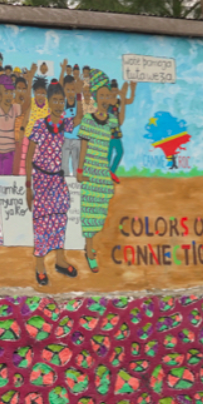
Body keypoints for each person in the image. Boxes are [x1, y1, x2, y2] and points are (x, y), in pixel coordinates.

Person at [25, 79, 82, 285]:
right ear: (49, 102)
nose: (58, 104)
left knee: (60, 219)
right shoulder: (40, 125)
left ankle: (60, 260)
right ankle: (40, 267)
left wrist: (77, 95)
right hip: (40, 180)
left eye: (61, 100)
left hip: (57, 178)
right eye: (55, 100)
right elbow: (29, 155)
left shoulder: (66, 123)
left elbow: (79, 117)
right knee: (41, 222)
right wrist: (28, 186)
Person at [76, 69, 119, 273]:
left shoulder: (112, 121)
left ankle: (92, 245)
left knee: (101, 210)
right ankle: (90, 250)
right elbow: (83, 147)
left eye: (106, 95)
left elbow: (117, 148)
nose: (104, 98)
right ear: (94, 97)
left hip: (103, 170)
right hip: (90, 171)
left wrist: (113, 169)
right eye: (100, 95)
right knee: (88, 211)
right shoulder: (87, 120)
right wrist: (79, 169)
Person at [106, 80, 137, 183]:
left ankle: (111, 171)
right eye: (112, 91)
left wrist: (132, 89)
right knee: (108, 154)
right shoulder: (105, 102)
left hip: (116, 131)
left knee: (120, 152)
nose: (114, 93)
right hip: (107, 131)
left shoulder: (119, 102)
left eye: (115, 90)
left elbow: (130, 100)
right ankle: (106, 174)